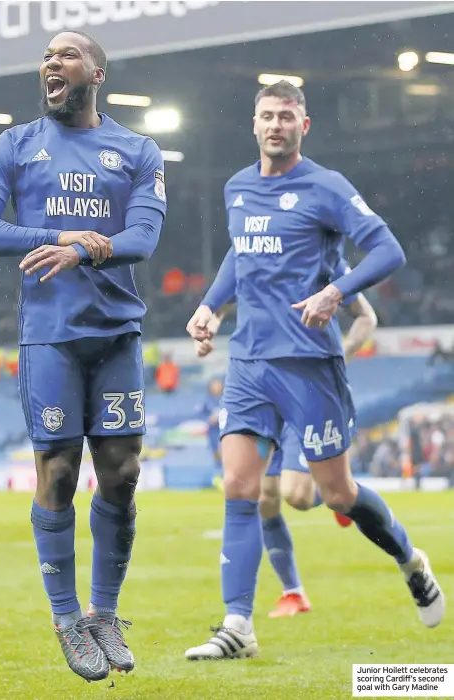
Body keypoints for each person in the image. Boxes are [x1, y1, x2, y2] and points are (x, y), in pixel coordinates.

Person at [184, 81, 444, 660]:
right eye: (267, 116)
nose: (276, 125)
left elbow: (388, 251)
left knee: (334, 493)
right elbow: (238, 249)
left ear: (305, 125)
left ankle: (410, 560)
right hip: (249, 360)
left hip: (309, 364)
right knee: (240, 487)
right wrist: (210, 305)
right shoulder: (237, 189)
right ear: (253, 125)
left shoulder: (326, 188)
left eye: (286, 116)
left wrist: (336, 292)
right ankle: (237, 625)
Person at [0, 31, 167, 682]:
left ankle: (104, 614)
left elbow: (143, 234)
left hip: (115, 334)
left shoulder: (137, 149)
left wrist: (86, 249)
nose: (51, 62)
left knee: (122, 474)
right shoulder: (13, 145)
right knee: (57, 474)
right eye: (46, 56)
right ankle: (66, 616)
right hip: (49, 335)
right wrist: (58, 234)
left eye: (66, 54)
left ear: (96, 73)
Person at [192, 258, 378, 619]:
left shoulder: (323, 256)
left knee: (298, 495)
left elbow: (366, 317)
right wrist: (209, 325)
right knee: (265, 498)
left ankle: (340, 493)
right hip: (261, 391)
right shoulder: (252, 249)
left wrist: (338, 356)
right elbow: (224, 300)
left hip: (306, 389)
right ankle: (293, 592)